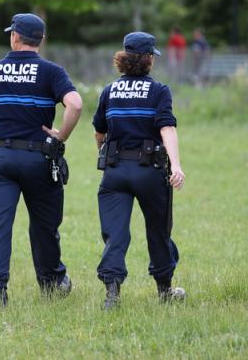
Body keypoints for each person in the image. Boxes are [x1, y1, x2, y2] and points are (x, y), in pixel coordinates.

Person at [0, 13, 83, 308]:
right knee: (44, 225)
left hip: (0, 158)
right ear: (41, 40)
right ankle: (51, 282)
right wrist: (60, 136)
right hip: (39, 157)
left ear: (14, 36)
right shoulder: (51, 71)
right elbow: (75, 104)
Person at [92, 32, 186, 309]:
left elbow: (99, 132)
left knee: (115, 233)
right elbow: (166, 127)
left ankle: (112, 293)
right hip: (150, 172)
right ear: (147, 60)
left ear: (123, 58)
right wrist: (176, 165)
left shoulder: (109, 91)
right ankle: (164, 291)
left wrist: (106, 157)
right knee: (158, 232)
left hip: (115, 172)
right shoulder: (158, 91)